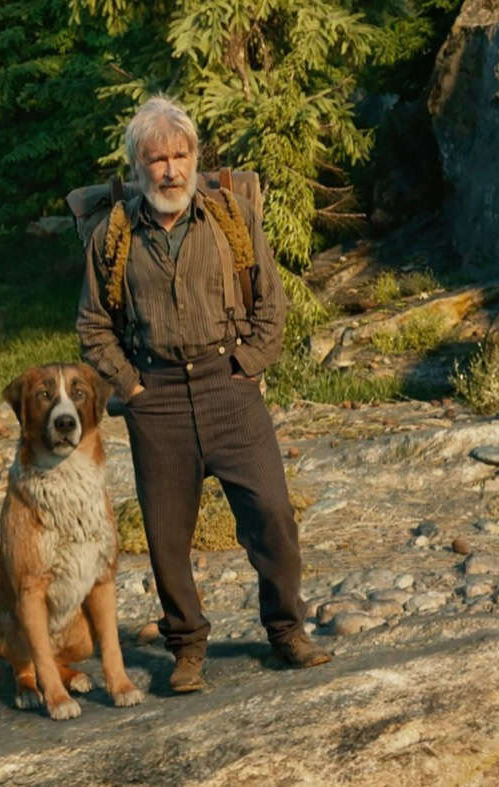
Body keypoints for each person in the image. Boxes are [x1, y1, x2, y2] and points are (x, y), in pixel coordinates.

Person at [76, 96, 331, 693]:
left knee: (271, 513)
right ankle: (187, 648)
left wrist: (248, 364)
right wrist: (131, 386)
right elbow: (93, 325)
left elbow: (273, 303)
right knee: (167, 537)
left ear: (196, 157)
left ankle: (287, 629)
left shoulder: (231, 219)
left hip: (230, 389)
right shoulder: (113, 237)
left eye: (180, 154)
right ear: (137, 169)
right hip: (156, 399)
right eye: (157, 159)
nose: (171, 170)